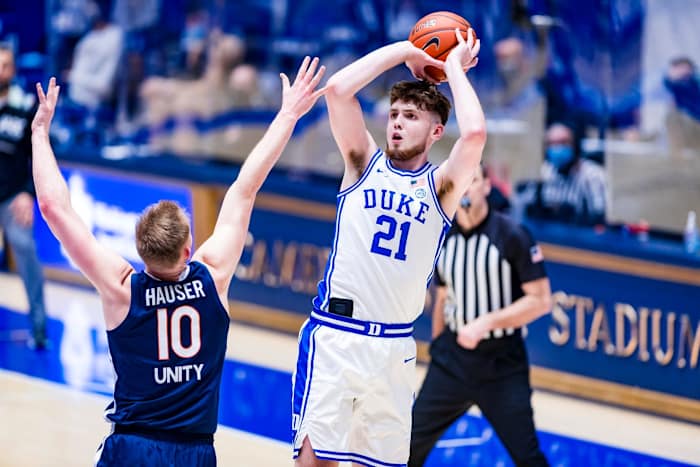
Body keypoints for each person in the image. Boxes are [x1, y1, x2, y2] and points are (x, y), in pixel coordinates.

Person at [31, 57, 326, 466]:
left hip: (132, 447)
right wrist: (288, 115)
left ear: (139, 251)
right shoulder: (213, 275)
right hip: (194, 452)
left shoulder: (121, 287)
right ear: (188, 249)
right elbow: (245, 188)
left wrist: (40, 132)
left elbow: (52, 207)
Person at [292, 30, 486, 467]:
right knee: (313, 464)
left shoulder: (442, 186)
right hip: (337, 337)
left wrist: (453, 67)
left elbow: (473, 135)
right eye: (394, 114)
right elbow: (339, 90)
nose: (397, 122)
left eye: (411, 116)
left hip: (394, 348)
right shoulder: (363, 162)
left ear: (436, 130)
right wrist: (407, 51)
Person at [409, 165, 553, 467]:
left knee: (527, 456)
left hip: (502, 365)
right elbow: (443, 297)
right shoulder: (441, 236)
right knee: (407, 447)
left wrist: (487, 322)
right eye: (461, 182)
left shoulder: (512, 235)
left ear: (487, 186)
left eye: (473, 181)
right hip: (451, 363)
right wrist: (438, 347)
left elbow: (540, 301)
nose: (466, 188)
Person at [0, 44, 48, 349]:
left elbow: (40, 154)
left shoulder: (25, 105)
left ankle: (39, 329)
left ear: (13, 70)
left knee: (26, 252)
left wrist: (28, 194)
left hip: (13, 196)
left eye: (5, 64)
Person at [518, 122, 607, 225]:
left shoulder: (593, 175)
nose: (557, 149)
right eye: (551, 144)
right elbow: (524, 208)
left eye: (563, 143)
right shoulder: (543, 171)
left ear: (575, 145)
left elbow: (600, 218)